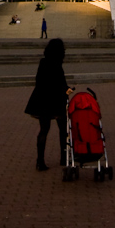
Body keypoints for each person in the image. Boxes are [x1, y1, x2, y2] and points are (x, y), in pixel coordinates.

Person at [24, 38, 72, 171]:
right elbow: (61, 84)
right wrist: (68, 90)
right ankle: (63, 157)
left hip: (42, 100)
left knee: (44, 130)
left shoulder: (43, 62)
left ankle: (40, 161)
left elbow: (39, 80)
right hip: (56, 101)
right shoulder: (57, 64)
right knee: (63, 129)